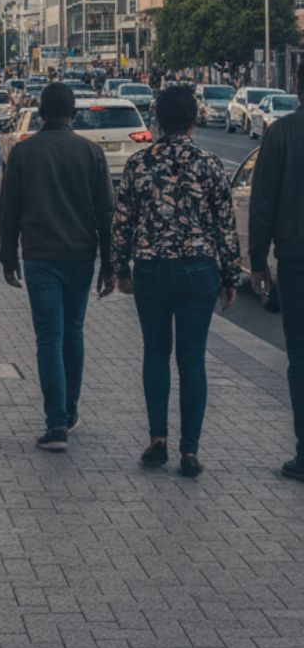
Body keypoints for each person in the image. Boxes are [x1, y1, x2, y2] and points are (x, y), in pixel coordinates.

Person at [110, 84, 240, 478]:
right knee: (192, 358)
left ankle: (157, 439)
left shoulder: (139, 164)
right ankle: (190, 451)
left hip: (151, 267)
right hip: (199, 269)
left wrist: (120, 268)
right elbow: (225, 225)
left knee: (155, 353)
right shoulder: (210, 163)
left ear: (158, 120)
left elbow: (123, 222)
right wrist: (231, 274)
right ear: (193, 119)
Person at [0, 83, 114, 453]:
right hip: (81, 255)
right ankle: (69, 411)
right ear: (73, 114)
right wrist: (109, 263)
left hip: (39, 255)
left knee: (49, 337)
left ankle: (55, 423)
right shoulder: (91, 153)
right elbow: (106, 214)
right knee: (73, 332)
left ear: (41, 113)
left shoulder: (23, 152)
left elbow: (8, 208)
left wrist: (7, 255)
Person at [248, 60, 304, 481]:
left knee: (300, 357)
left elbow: (262, 201)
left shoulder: (282, 134)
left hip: (296, 259)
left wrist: (257, 261)